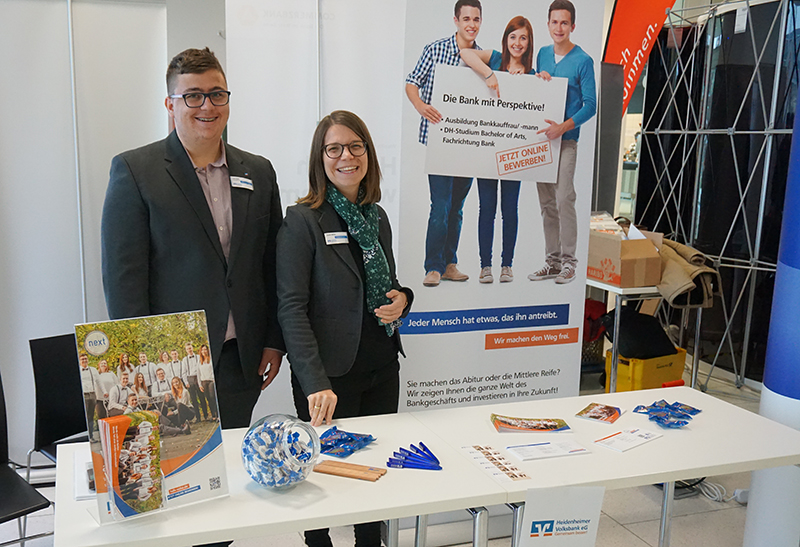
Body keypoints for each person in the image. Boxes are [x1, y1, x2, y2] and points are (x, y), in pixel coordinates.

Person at [101, 47, 285, 430]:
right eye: (193, 96)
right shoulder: (136, 171)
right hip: (170, 365)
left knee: (234, 472)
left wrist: (273, 340)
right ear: (170, 104)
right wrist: (141, 366)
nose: (207, 105)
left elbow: (271, 264)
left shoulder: (259, 172)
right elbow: (124, 279)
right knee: (180, 476)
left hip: (241, 358)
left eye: (217, 94)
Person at [277, 110, 413, 547]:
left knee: (373, 473)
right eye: (333, 149)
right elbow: (291, 308)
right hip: (328, 379)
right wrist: (314, 381)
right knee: (322, 479)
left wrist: (404, 299)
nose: (346, 156)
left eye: (355, 147)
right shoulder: (302, 221)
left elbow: (387, 285)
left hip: (380, 368)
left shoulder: (377, 217)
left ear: (368, 155)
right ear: (321, 159)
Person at [406, 0, 482, 287]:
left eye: (476, 19)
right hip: (440, 142)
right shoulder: (435, 49)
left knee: (457, 208)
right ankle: (433, 267)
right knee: (440, 205)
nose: (471, 24)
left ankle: (450, 263)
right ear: (456, 20)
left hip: (469, 145)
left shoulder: (483, 57)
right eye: (466, 18)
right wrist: (421, 105)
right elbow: (412, 81)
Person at [461, 16, 538, 284]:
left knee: (510, 210)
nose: (517, 43)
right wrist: (491, 75)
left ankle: (507, 265)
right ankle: (485, 266)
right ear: (506, 39)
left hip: (513, 154)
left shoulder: (532, 74)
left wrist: (541, 81)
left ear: (529, 43)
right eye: (513, 37)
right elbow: (466, 53)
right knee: (487, 208)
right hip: (486, 152)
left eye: (523, 38)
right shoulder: (493, 59)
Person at [528, 0, 596, 285]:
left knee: (564, 198)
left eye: (564, 23)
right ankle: (552, 261)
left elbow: (590, 105)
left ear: (573, 26)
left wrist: (563, 128)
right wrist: (536, 76)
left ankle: (570, 263)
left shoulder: (583, 60)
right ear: (548, 24)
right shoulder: (543, 54)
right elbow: (535, 89)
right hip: (542, 142)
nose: (559, 28)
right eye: (554, 22)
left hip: (565, 140)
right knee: (546, 203)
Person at [182, 342, 208, 422]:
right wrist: (186, 382)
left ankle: (206, 415)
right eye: (187, 349)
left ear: (192, 348)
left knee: (202, 397)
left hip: (199, 377)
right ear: (186, 350)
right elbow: (184, 372)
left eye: (190, 348)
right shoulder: (185, 360)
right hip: (190, 379)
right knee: (194, 399)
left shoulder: (198, 357)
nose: (189, 350)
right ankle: (198, 417)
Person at [78, 353, 101, 436]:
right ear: (79, 361)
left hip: (92, 394)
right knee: (85, 416)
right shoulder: (77, 370)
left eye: (85, 359)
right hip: (84, 395)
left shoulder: (93, 370)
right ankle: (84, 435)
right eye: (82, 359)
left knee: (91, 415)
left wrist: (104, 392)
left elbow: (99, 382)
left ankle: (91, 435)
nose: (84, 360)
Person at [198, 344, 218, 421]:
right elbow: (198, 373)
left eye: (205, 349)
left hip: (211, 381)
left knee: (213, 397)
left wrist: (213, 379)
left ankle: (217, 414)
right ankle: (213, 415)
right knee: (208, 399)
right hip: (203, 381)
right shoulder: (200, 361)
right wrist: (200, 384)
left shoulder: (211, 359)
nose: (204, 351)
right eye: (202, 350)